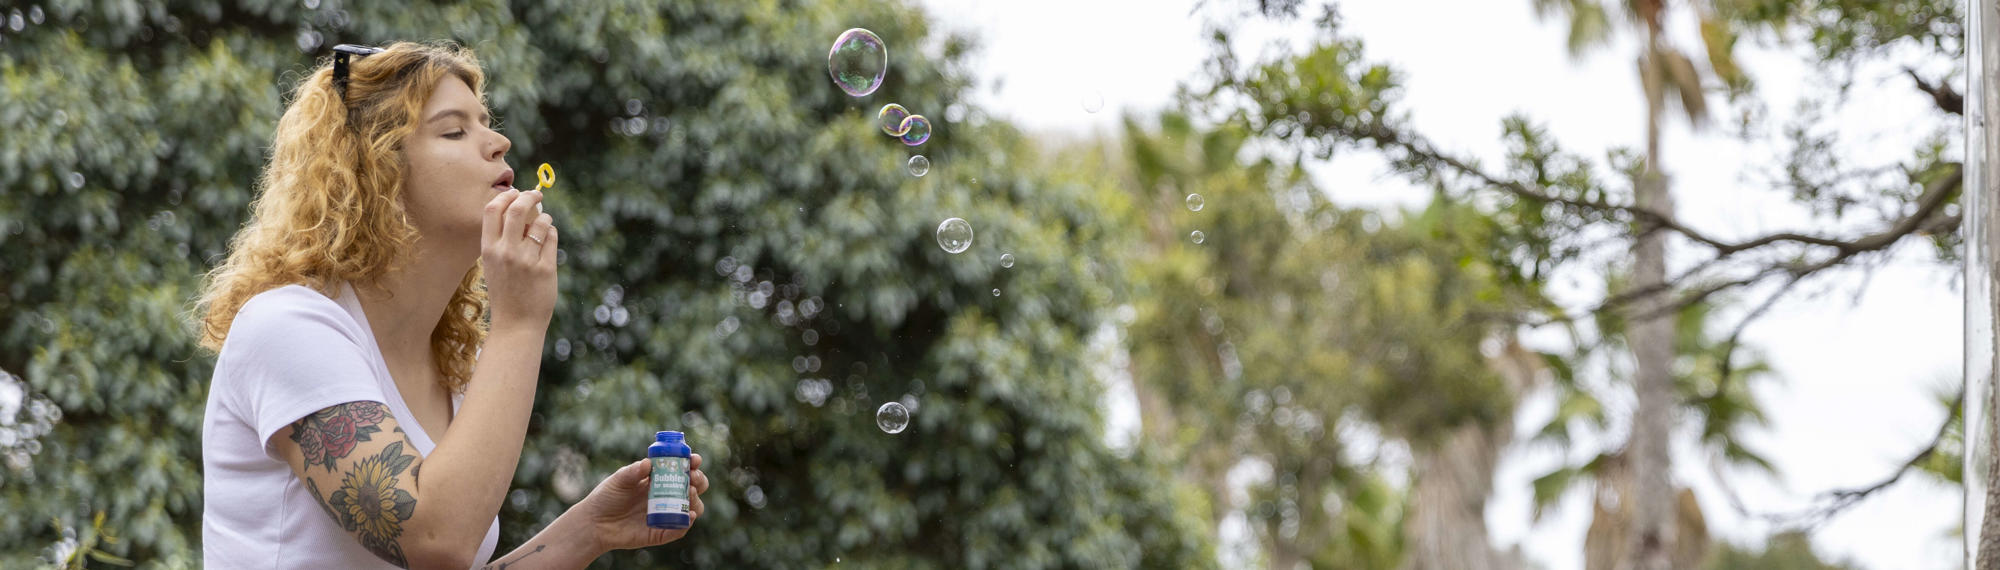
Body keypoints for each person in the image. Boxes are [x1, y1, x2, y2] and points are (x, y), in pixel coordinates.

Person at [192, 41, 706, 568]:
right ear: (376, 173)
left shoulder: (452, 370)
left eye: (487, 124)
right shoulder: (288, 326)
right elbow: (434, 538)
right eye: (454, 131)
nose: (500, 142)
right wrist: (520, 321)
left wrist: (589, 529)